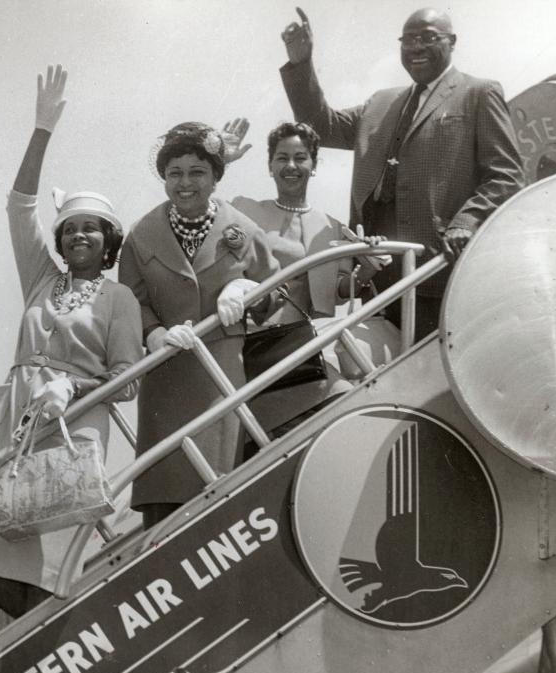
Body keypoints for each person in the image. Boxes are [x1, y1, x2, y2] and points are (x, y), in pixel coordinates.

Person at [0, 65, 143, 616]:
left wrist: (71, 390)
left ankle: (46, 643)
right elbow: (18, 207)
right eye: (71, 227)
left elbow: (126, 381)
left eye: (92, 228)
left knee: (44, 558)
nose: (80, 234)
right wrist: (43, 129)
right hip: (14, 413)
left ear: (108, 242)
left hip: (71, 422)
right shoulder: (41, 278)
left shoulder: (119, 299)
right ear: (60, 240)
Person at [279, 6, 525, 338]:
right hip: (376, 270)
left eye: (428, 38)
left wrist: (466, 222)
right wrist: (301, 63)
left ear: (452, 42)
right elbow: (322, 126)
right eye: (408, 39)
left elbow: (506, 175)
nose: (416, 47)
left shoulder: (479, 93)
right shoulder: (381, 102)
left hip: (437, 269)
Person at [118, 121, 279, 529]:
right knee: (166, 500)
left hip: (221, 377)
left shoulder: (244, 228)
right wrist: (153, 333)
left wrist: (245, 289)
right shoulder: (140, 235)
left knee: (225, 500)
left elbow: (276, 292)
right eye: (174, 173)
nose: (185, 183)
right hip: (166, 382)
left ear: (215, 177)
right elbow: (131, 300)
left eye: (197, 172)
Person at [230, 120, 385, 439]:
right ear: (270, 165)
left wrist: (369, 267)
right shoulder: (243, 211)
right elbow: (204, 218)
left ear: (314, 165)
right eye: (281, 157)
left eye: (301, 157)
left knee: (346, 411)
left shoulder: (332, 226)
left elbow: (341, 291)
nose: (291, 166)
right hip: (256, 344)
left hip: (308, 347)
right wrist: (219, 161)